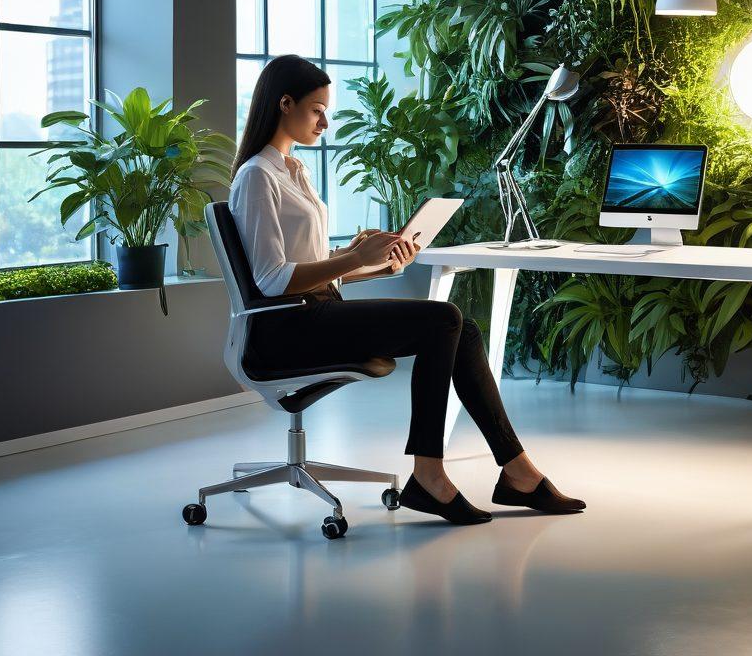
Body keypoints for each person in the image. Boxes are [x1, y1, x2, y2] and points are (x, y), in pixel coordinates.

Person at [228, 54, 585, 525]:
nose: (325, 121)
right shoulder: (257, 176)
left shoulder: (295, 172)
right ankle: (429, 475)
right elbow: (271, 280)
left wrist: (374, 264)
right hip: (283, 329)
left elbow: (317, 271)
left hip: (316, 312)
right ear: (284, 103)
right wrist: (352, 257)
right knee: (443, 319)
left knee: (464, 330)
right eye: (316, 109)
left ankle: (517, 472)